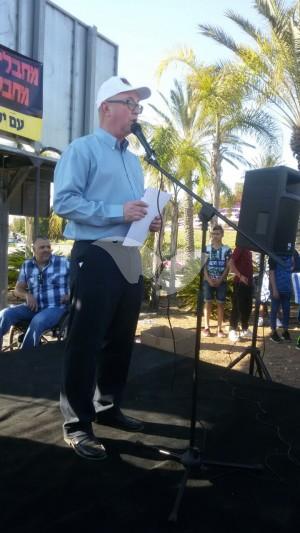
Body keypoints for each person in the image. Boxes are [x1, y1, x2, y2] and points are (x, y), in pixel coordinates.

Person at [53, 75, 162, 461]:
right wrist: (118, 212)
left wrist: (146, 220)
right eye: (130, 104)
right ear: (106, 108)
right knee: (85, 342)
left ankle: (108, 407)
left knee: (120, 339)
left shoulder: (134, 160)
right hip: (96, 254)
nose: (136, 112)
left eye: (138, 106)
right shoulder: (81, 150)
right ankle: (77, 424)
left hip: (129, 256)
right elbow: (64, 202)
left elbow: (133, 209)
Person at [0, 237, 69, 351]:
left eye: (48, 247)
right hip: (33, 307)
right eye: (42, 247)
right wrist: (27, 295)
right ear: (34, 250)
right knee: (4, 314)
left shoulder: (63, 262)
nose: (46, 249)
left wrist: (70, 295)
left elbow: (79, 281)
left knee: (38, 321)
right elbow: (18, 289)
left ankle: (25, 356)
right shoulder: (27, 265)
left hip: (56, 307)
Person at [203, 224, 231, 337]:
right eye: (214, 233)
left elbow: (228, 266)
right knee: (208, 302)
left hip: (221, 281)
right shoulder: (206, 248)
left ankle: (219, 329)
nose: (215, 236)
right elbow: (203, 265)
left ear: (222, 235)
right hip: (208, 280)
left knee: (220, 304)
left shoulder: (227, 249)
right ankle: (206, 327)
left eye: (218, 233)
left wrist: (221, 279)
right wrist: (208, 279)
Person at [228, 247, 253, 342]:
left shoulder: (248, 248)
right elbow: (231, 263)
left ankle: (244, 328)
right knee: (237, 307)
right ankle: (232, 329)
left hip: (249, 283)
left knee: (247, 307)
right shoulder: (240, 248)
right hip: (239, 283)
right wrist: (240, 276)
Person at [269, 254, 294, 343]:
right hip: (276, 288)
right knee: (274, 310)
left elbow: (292, 267)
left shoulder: (290, 253)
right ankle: (273, 332)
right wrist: (274, 289)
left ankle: (285, 331)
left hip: (286, 288)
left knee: (286, 310)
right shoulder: (273, 255)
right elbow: (271, 273)